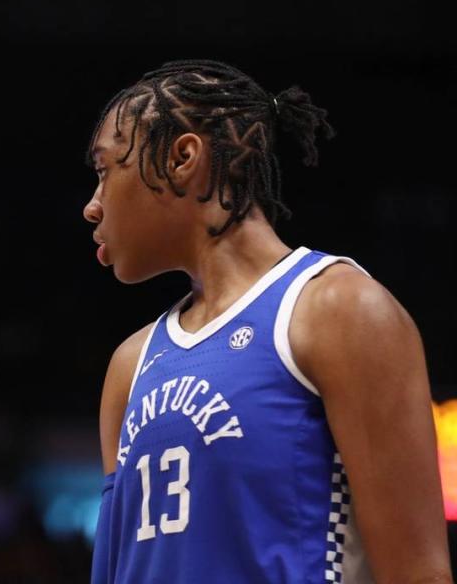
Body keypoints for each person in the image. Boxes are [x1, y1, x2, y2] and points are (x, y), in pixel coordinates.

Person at [84, 60, 451, 583]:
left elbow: (420, 574)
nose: (92, 207)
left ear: (183, 156)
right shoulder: (130, 366)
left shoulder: (338, 311)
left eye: (104, 171)